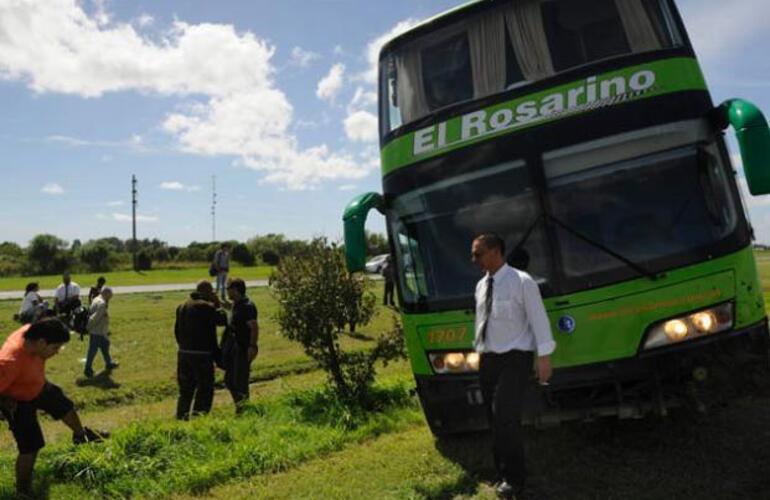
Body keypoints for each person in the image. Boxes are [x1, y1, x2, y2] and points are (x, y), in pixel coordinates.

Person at [471, 233, 555, 500]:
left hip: (515, 358)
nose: (474, 259)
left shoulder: (522, 281)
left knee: (505, 417)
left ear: (496, 251)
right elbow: (483, 321)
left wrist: (544, 357)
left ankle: (515, 479)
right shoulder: (481, 286)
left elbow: (538, 318)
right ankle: (502, 471)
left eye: (478, 253)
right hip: (489, 359)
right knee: (493, 419)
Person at [0, 318, 106, 496]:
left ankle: (81, 436)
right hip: (18, 402)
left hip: (37, 386)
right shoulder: (9, 362)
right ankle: (23, 491)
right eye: (55, 348)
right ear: (42, 343)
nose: (57, 352)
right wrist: (4, 402)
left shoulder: (31, 332)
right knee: (30, 446)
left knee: (65, 407)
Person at [174, 280, 227, 420]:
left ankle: (181, 418)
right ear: (207, 292)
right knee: (205, 389)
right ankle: (199, 419)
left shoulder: (182, 306)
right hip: (201, 355)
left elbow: (176, 331)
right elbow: (222, 320)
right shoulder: (205, 306)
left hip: (183, 353)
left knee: (185, 391)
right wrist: (217, 304)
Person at [222, 278, 258, 413]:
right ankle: (240, 406)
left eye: (228, 288)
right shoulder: (237, 304)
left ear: (236, 289)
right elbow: (230, 309)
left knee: (240, 380)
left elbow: (254, 327)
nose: (227, 291)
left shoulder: (247, 306)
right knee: (229, 379)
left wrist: (252, 346)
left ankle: (245, 409)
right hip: (234, 347)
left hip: (243, 348)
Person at [84, 287, 118, 378]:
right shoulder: (102, 304)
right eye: (109, 297)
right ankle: (87, 369)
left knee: (105, 346)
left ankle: (108, 363)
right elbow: (95, 318)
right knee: (92, 351)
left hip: (101, 331)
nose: (109, 300)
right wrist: (87, 328)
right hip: (97, 331)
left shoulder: (96, 299)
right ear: (106, 294)